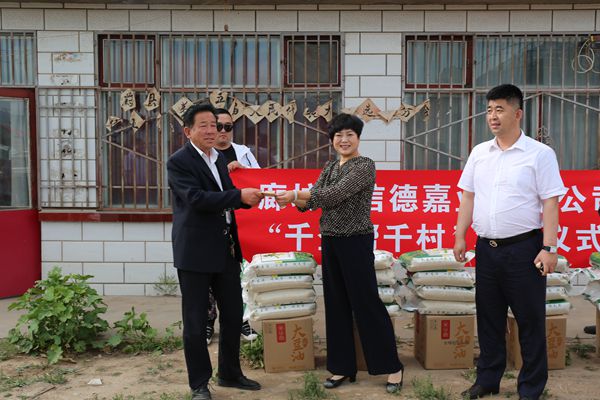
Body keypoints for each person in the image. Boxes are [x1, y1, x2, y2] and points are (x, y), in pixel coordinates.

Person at [275, 113, 405, 394]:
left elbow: (333, 195)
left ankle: (392, 367)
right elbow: (314, 198)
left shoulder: (365, 166)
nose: (344, 140)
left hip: (356, 241)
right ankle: (342, 367)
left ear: (358, 138)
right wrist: (294, 199)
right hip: (331, 240)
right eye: (338, 136)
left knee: (366, 304)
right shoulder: (331, 166)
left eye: (349, 135)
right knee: (336, 306)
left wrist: (296, 194)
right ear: (332, 140)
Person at [453, 84, 566, 400]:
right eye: (489, 109)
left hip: (524, 250)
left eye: (500, 109)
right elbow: (468, 197)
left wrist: (549, 248)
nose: (493, 116)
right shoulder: (480, 153)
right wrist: (460, 235)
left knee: (530, 321)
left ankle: (530, 388)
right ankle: (487, 379)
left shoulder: (539, 154)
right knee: (489, 318)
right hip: (486, 249)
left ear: (517, 114)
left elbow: (550, 202)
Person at [167, 102, 263, 400]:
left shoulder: (219, 158)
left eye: (216, 125)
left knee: (233, 314)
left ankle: (230, 373)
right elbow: (197, 199)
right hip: (195, 251)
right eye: (205, 126)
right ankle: (199, 383)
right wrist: (239, 196)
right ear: (188, 131)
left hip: (225, 248)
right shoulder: (179, 162)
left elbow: (227, 196)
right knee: (196, 322)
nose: (212, 131)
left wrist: (248, 197)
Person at [204, 108, 260, 345]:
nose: (223, 131)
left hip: (240, 225)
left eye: (228, 127)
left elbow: (259, 182)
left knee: (239, 275)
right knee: (208, 277)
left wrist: (244, 171)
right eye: (219, 126)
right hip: (210, 225)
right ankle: (208, 322)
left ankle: (242, 320)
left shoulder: (243, 153)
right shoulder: (203, 155)